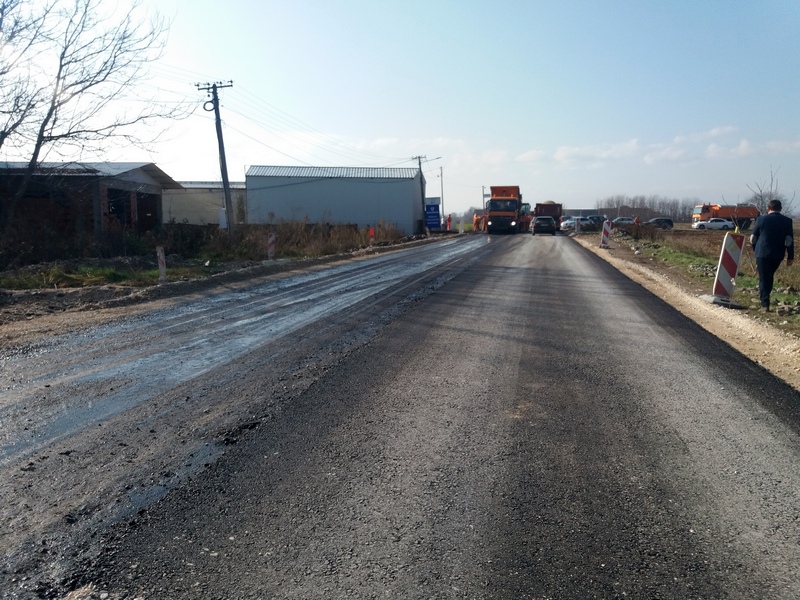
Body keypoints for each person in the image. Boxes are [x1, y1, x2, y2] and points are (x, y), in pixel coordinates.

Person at [750, 199, 794, 311]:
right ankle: (765, 300)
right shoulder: (787, 221)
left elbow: (753, 238)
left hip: (762, 253)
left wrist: (755, 250)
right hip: (777, 254)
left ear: (768, 208)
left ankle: (765, 304)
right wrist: (790, 256)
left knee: (764, 278)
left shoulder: (761, 219)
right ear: (780, 209)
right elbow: (789, 240)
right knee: (768, 277)